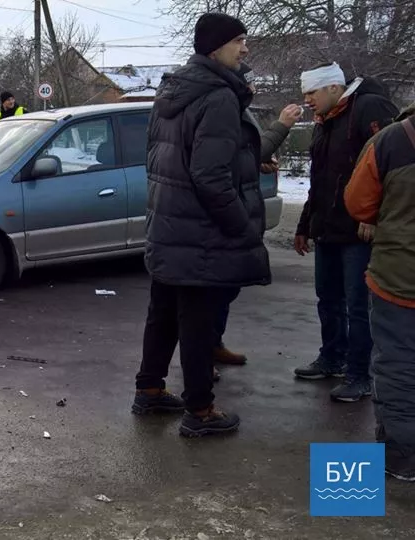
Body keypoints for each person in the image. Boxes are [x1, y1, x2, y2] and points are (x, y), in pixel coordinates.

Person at [132, 13, 270, 438]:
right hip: (201, 232)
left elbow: (160, 159)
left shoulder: (173, 91)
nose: (245, 49)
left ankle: (151, 390)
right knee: (197, 321)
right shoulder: (218, 97)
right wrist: (242, 227)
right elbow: (211, 177)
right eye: (239, 41)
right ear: (215, 47)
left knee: (163, 314)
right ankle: (200, 411)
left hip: (169, 224)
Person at [291, 62, 399, 403]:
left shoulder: (369, 108)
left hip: (359, 232)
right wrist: (305, 225)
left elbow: (392, 165)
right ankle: (332, 357)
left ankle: (359, 374)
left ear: (334, 89)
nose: (306, 99)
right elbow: (321, 179)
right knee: (329, 299)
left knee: (358, 305)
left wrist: (374, 215)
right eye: (305, 93)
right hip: (328, 228)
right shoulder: (326, 122)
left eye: (312, 92)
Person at [213, 63, 303, 370]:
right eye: (250, 83)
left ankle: (213, 345)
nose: (254, 88)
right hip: (224, 217)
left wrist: (252, 164)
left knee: (227, 286)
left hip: (238, 211)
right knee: (211, 292)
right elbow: (228, 159)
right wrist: (282, 125)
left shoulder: (238, 108)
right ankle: (200, 357)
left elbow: (242, 155)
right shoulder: (223, 108)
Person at [344, 103, 415, 481]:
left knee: (399, 367)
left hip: (400, 278)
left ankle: (401, 459)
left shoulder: (392, 140)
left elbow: (358, 204)